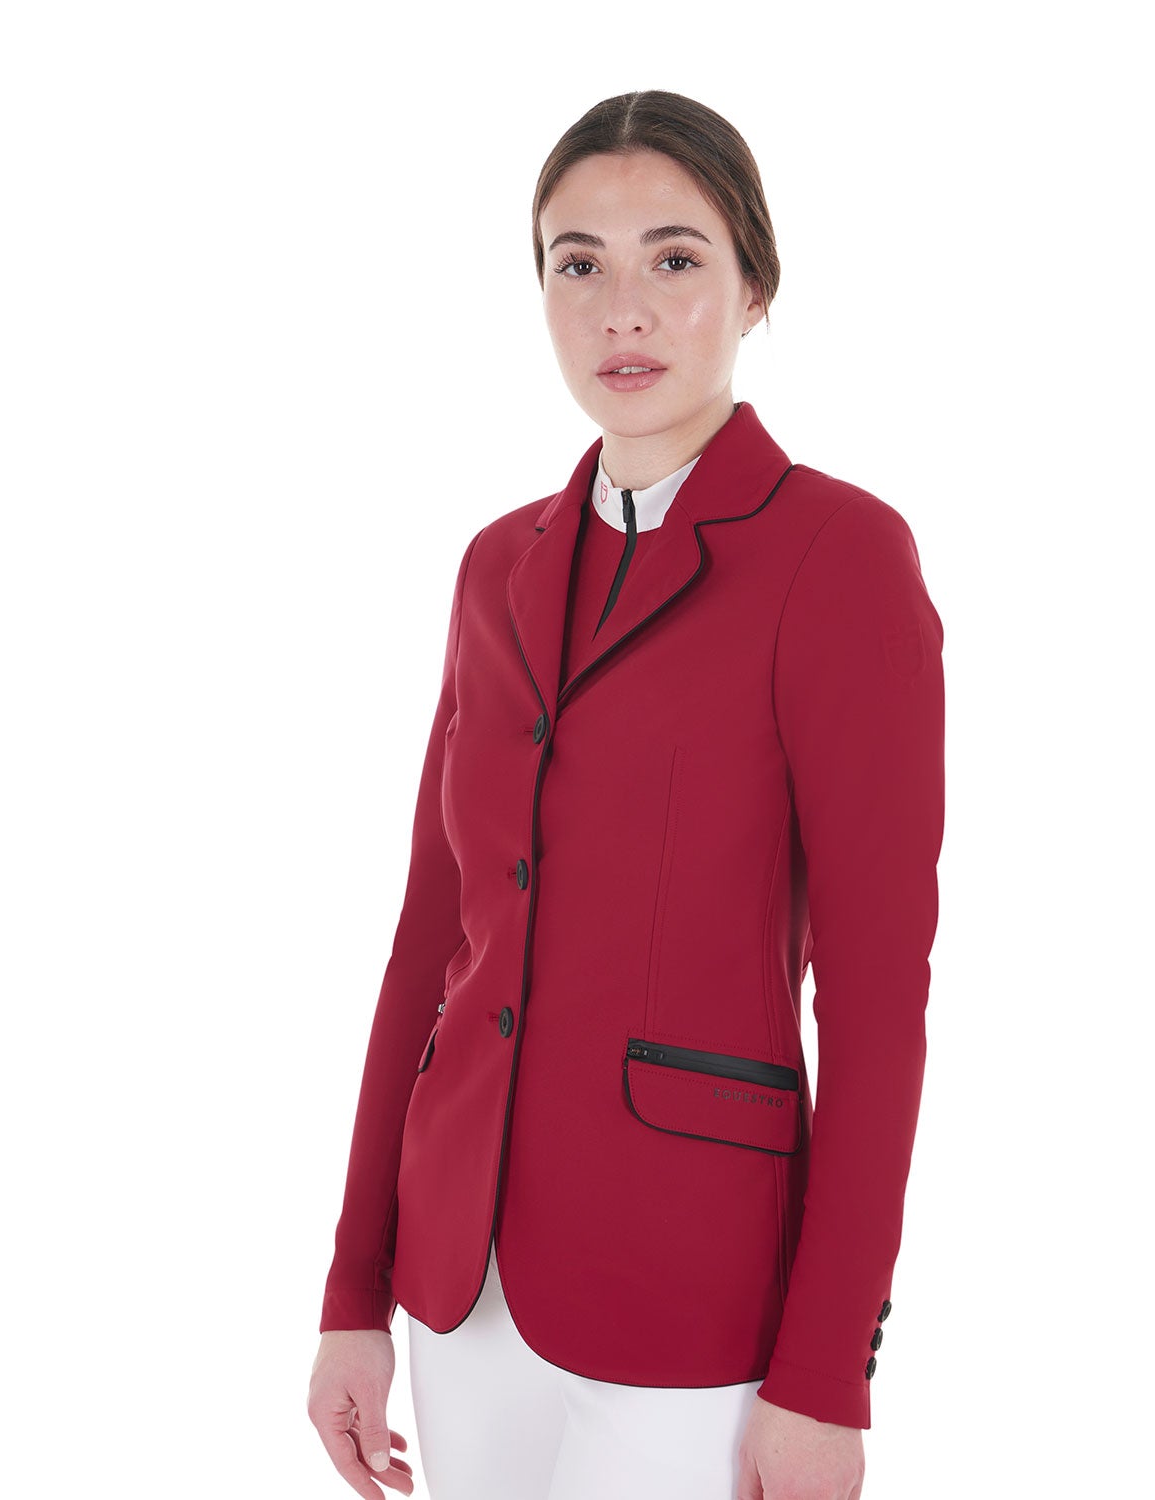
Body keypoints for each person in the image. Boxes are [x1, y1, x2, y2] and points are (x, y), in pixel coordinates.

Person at [307, 89, 945, 1500]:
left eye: (675, 258)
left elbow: (877, 996)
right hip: (460, 1293)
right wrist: (354, 1290)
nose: (623, 312)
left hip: (696, 1298)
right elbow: (429, 945)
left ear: (754, 286)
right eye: (578, 263)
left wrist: (826, 1372)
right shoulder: (497, 567)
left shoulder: (838, 557)